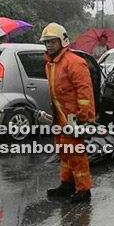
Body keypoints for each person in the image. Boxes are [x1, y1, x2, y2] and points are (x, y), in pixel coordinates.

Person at [41, 22, 96, 203]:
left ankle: (83, 188)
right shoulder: (50, 64)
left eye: (53, 42)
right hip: (60, 117)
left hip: (73, 118)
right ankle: (67, 184)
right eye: (47, 42)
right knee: (63, 151)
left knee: (75, 152)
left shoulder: (74, 62)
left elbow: (84, 90)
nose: (49, 45)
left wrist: (84, 116)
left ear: (62, 41)